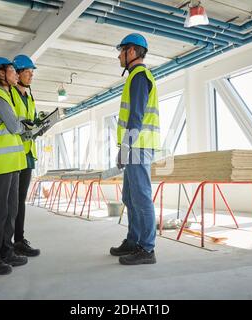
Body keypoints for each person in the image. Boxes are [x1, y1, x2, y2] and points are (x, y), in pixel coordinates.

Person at [0, 56, 36, 275]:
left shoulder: (7, 96)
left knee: (11, 208)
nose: (15, 73)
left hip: (12, 163)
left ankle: (6, 250)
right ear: (1, 74)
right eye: (11, 69)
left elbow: (16, 126)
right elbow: (13, 126)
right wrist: (26, 126)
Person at [110, 33, 160, 265]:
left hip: (138, 146)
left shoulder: (139, 76)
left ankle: (146, 249)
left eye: (122, 50)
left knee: (141, 197)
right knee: (130, 197)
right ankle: (133, 241)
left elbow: (137, 117)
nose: (119, 55)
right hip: (134, 146)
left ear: (132, 52)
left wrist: (125, 147)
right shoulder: (134, 77)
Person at [11, 54, 42, 257]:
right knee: (11, 201)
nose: (31, 76)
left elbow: (30, 121)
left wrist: (40, 124)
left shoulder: (29, 97)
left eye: (32, 72)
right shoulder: (10, 95)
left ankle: (19, 240)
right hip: (14, 154)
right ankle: (9, 242)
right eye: (27, 72)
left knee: (20, 200)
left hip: (28, 153)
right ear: (18, 73)